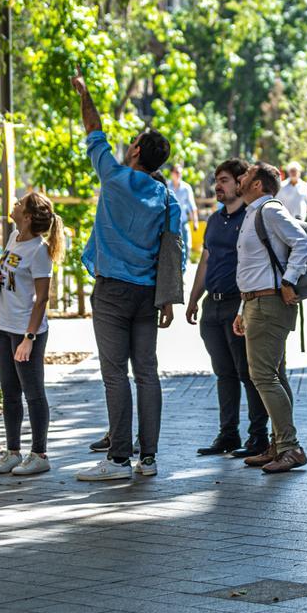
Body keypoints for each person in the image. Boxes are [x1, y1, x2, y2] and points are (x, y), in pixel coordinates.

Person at [71, 73, 183, 482]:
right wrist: (167, 298)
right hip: (147, 295)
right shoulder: (167, 198)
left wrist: (85, 94)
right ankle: (148, 459)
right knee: (147, 373)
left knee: (115, 373)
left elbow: (93, 128)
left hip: (112, 291)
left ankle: (118, 460)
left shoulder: (113, 177)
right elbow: (175, 251)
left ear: (135, 150)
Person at [186, 159, 271, 458]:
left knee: (247, 373)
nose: (217, 186)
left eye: (223, 180)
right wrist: (194, 297)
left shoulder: (252, 218)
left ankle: (259, 437)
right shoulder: (214, 219)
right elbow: (205, 259)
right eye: (216, 180)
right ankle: (228, 434)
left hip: (240, 304)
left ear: (239, 182)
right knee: (223, 373)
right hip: (213, 305)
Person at [233, 161, 307, 474]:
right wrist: (243, 308)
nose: (241, 178)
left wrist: (289, 280)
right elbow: (256, 267)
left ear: (257, 184)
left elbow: (302, 243)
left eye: (247, 175)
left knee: (264, 376)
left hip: (269, 304)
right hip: (257, 303)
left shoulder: (269, 210)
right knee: (274, 376)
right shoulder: (254, 211)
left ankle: (290, 447)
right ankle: (279, 445)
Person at [0, 192, 65, 476]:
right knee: (9, 393)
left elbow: (42, 299)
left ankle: (40, 453)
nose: (15, 203)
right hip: (5, 326)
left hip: (27, 332)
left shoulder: (40, 251)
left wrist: (29, 339)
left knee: (33, 393)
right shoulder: (14, 237)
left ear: (29, 216)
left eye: (20, 203)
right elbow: (11, 275)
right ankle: (12, 451)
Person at [168, 163, 199, 260]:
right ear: (172, 173)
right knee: (170, 247)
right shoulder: (167, 186)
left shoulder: (186, 188)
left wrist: (195, 222)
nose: (179, 175)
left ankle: (184, 269)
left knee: (186, 245)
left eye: (180, 173)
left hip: (183, 221)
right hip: (170, 222)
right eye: (177, 172)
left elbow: (192, 206)